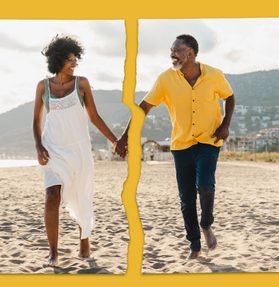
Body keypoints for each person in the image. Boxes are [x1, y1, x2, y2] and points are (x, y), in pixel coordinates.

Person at [117, 34, 235, 260]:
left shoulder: (214, 75)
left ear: (190, 53)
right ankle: (194, 245)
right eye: (171, 50)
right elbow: (144, 107)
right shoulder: (165, 79)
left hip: (209, 140)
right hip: (181, 145)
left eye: (177, 50)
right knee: (186, 198)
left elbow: (229, 97)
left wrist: (225, 125)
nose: (172, 54)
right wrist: (125, 136)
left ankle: (206, 224)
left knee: (205, 186)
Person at [33, 35, 124, 266]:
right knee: (51, 196)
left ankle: (84, 240)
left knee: (82, 196)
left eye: (76, 59)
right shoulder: (43, 86)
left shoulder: (81, 84)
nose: (74, 63)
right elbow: (36, 121)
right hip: (53, 149)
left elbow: (94, 116)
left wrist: (115, 141)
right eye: (69, 60)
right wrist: (38, 145)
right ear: (57, 60)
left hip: (80, 150)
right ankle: (53, 252)